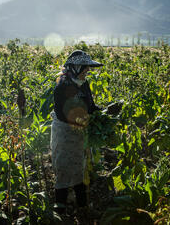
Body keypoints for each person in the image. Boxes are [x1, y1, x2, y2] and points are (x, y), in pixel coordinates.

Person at [50, 50, 103, 218]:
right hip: (64, 132)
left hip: (79, 132)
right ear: (74, 68)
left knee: (79, 169)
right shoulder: (62, 85)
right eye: (84, 69)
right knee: (63, 169)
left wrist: (103, 112)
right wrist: (82, 119)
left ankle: (83, 208)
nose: (86, 72)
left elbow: (90, 105)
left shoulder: (83, 84)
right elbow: (61, 114)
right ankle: (60, 212)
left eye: (87, 69)